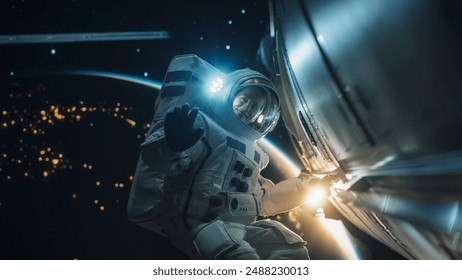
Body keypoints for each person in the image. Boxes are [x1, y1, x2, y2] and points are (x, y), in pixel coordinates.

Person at [127, 54, 324, 259]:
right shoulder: (203, 127)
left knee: (291, 251)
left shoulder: (255, 153)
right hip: (197, 224)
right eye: (244, 99)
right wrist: (173, 144)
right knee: (241, 259)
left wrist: (304, 188)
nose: (248, 108)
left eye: (255, 107)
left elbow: (265, 199)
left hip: (235, 226)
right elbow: (160, 162)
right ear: (230, 94)